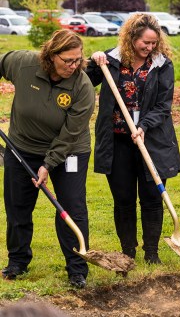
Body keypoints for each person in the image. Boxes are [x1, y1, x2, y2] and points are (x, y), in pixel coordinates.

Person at [1, 30, 95, 288]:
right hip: (22, 146)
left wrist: (48, 164)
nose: (74, 66)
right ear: (51, 56)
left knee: (73, 207)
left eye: (78, 60)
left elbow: (71, 134)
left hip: (70, 151)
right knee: (18, 205)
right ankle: (18, 262)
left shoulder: (82, 86)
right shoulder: (24, 63)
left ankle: (77, 268)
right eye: (68, 60)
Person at [86, 13, 180, 264]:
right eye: (145, 43)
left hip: (152, 141)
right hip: (117, 141)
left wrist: (144, 127)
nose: (149, 48)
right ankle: (127, 251)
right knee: (124, 199)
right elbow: (84, 79)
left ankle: (152, 253)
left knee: (152, 197)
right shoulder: (111, 60)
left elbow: (163, 106)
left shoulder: (162, 64)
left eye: (154, 43)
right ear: (131, 38)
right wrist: (93, 61)